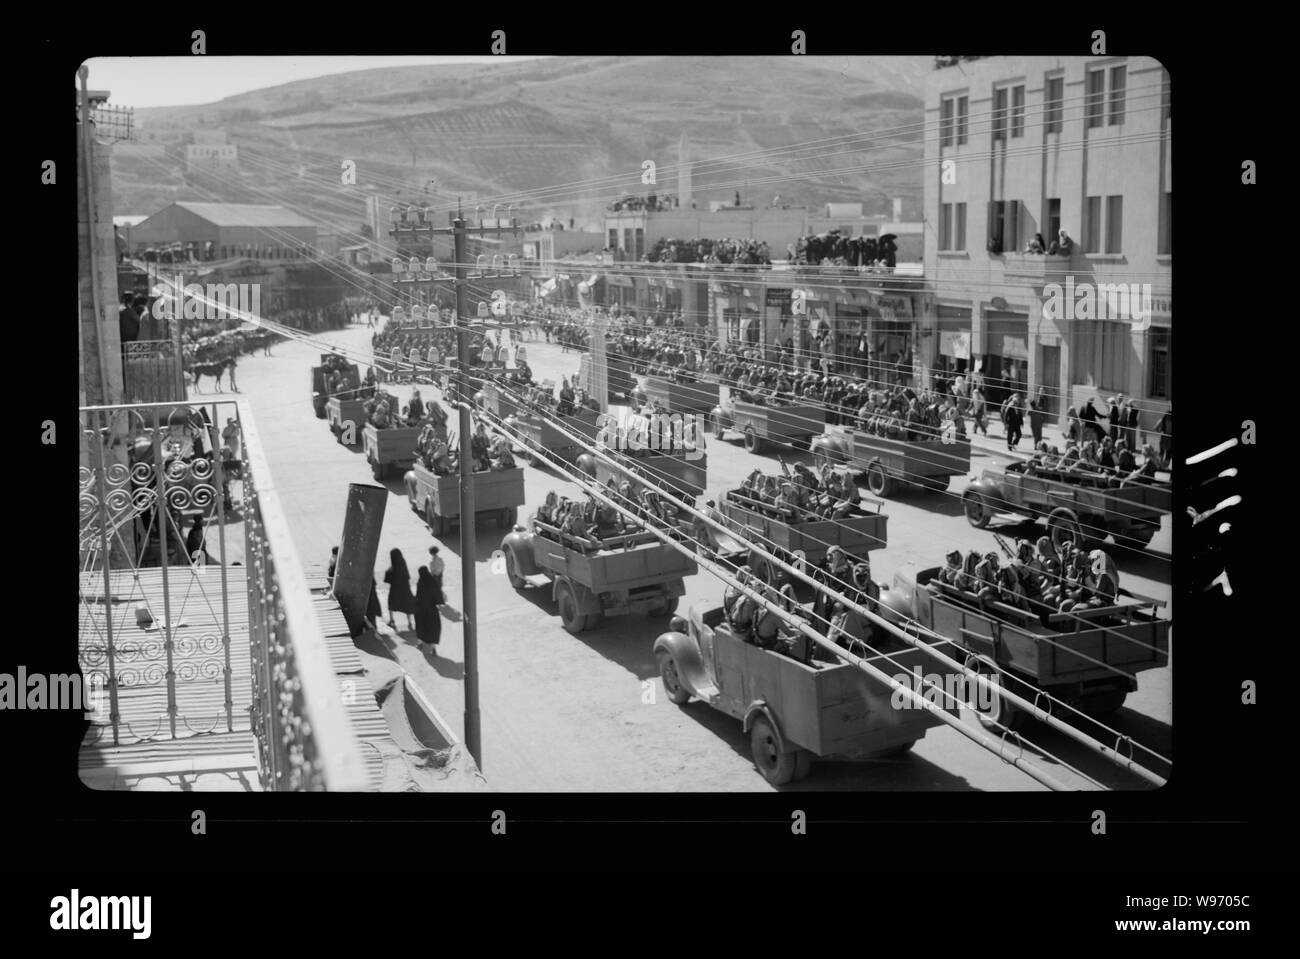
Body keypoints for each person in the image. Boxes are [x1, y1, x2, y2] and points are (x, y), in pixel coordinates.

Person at [383, 548, 417, 631]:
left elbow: (389, 580)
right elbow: (407, 576)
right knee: (407, 605)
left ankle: (392, 620)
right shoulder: (402, 561)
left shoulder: (394, 566)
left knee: (391, 603)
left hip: (395, 589)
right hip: (405, 588)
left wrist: (388, 571)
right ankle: (409, 622)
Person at [414, 566, 442, 651]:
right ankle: (433, 647)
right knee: (433, 627)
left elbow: (418, 596)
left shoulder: (420, 582)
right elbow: (437, 593)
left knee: (420, 626)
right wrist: (439, 602)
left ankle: (420, 644)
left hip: (421, 609)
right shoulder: (432, 581)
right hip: (432, 610)